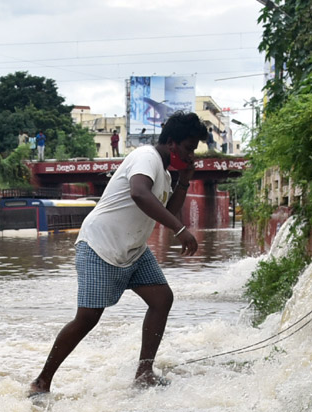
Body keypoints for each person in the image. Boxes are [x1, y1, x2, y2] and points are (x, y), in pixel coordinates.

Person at [28, 111, 210, 396]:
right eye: (188, 148)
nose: (190, 155)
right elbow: (139, 193)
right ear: (172, 142)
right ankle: (41, 382)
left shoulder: (163, 171)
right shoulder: (146, 157)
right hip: (101, 246)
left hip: (133, 250)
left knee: (162, 299)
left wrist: (184, 180)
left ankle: (144, 373)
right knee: (87, 318)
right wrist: (180, 230)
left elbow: (169, 211)